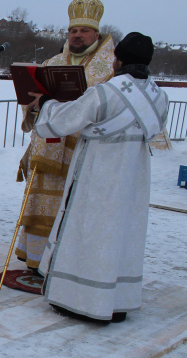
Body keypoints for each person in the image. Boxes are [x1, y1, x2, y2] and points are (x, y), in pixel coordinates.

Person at [29, 32, 167, 323]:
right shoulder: (159, 96)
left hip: (98, 178)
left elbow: (64, 120)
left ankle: (80, 301)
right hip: (133, 182)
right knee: (122, 236)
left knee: (89, 235)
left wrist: (46, 104)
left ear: (117, 59)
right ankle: (116, 303)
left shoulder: (107, 92)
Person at [14, 0, 114, 272]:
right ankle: (35, 261)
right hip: (47, 148)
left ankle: (65, 264)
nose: (77, 36)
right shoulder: (53, 62)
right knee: (40, 203)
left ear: (96, 34)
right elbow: (32, 100)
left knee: (72, 208)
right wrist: (32, 104)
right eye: (73, 31)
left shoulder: (108, 69)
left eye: (84, 30)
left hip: (81, 151)